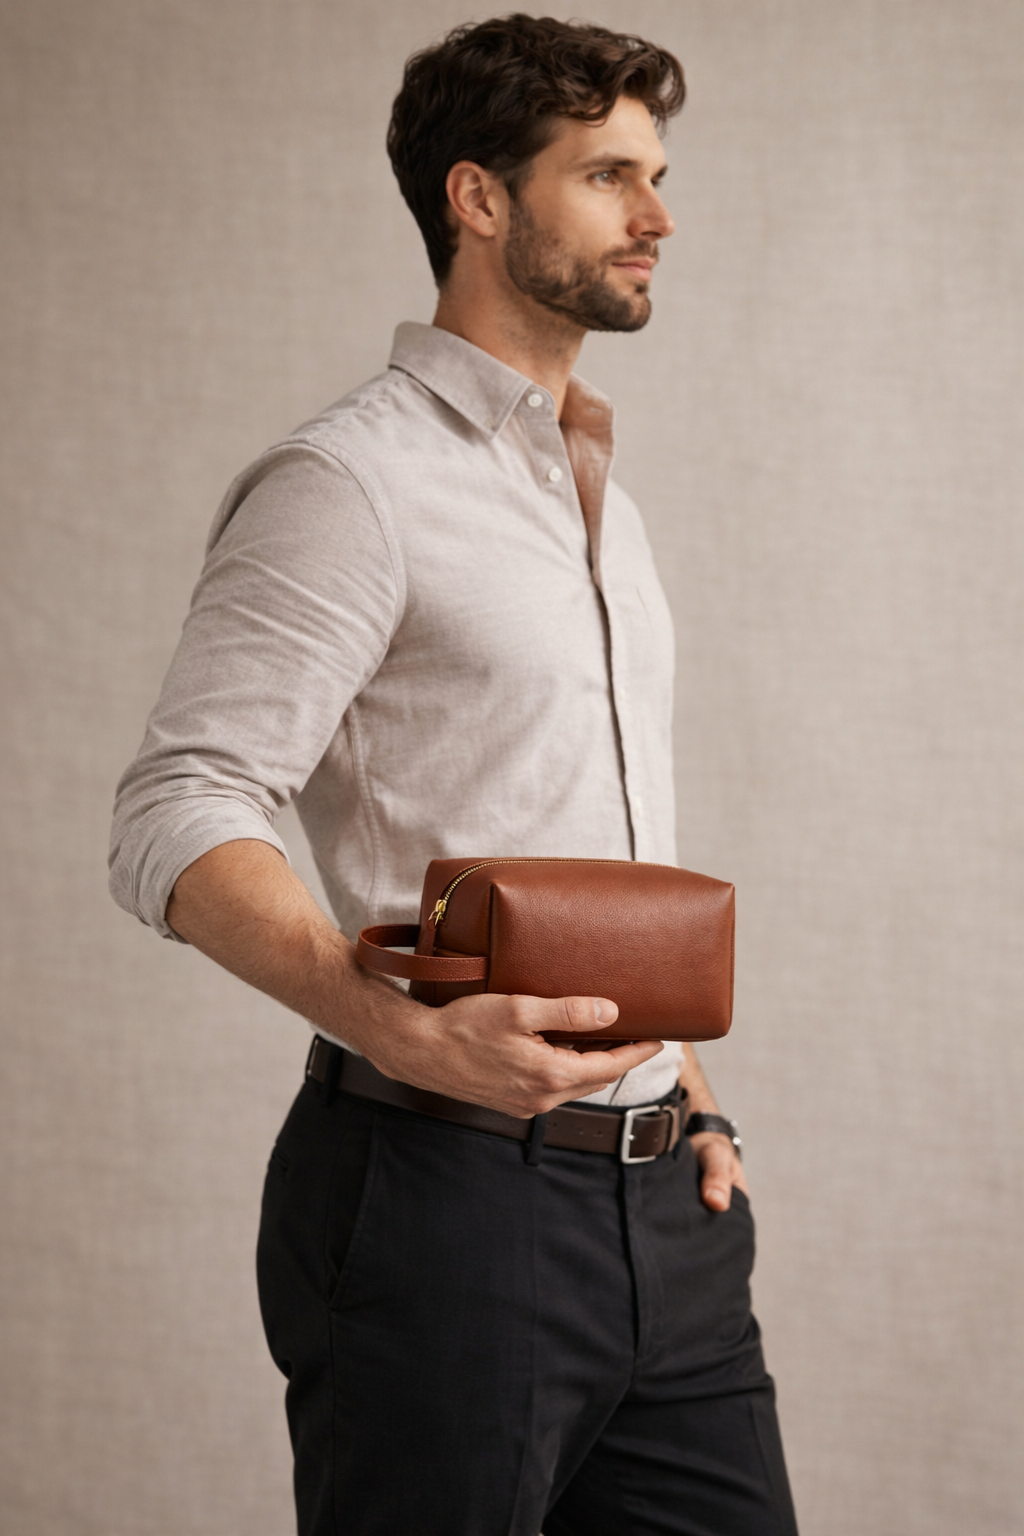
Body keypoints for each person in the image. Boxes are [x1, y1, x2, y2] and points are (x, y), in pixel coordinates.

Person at [109, 15, 798, 1535]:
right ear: (478, 198)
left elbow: (587, 825)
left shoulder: (599, 493)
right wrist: (393, 1027)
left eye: (660, 175)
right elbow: (177, 804)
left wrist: (690, 1097)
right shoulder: (350, 484)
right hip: (447, 1203)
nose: (658, 216)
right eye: (609, 175)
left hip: (667, 1216)